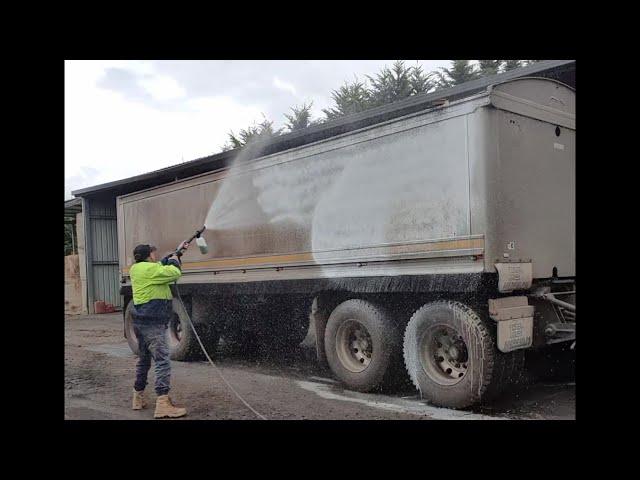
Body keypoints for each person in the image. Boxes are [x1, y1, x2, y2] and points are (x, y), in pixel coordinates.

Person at [129, 242, 189, 418]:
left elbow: (158, 266)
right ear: (149, 255)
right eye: (153, 254)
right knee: (162, 360)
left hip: (141, 321)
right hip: (153, 322)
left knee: (144, 359)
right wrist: (176, 260)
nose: (155, 256)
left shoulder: (137, 269)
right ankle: (162, 403)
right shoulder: (149, 270)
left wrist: (176, 252)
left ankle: (137, 397)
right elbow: (174, 272)